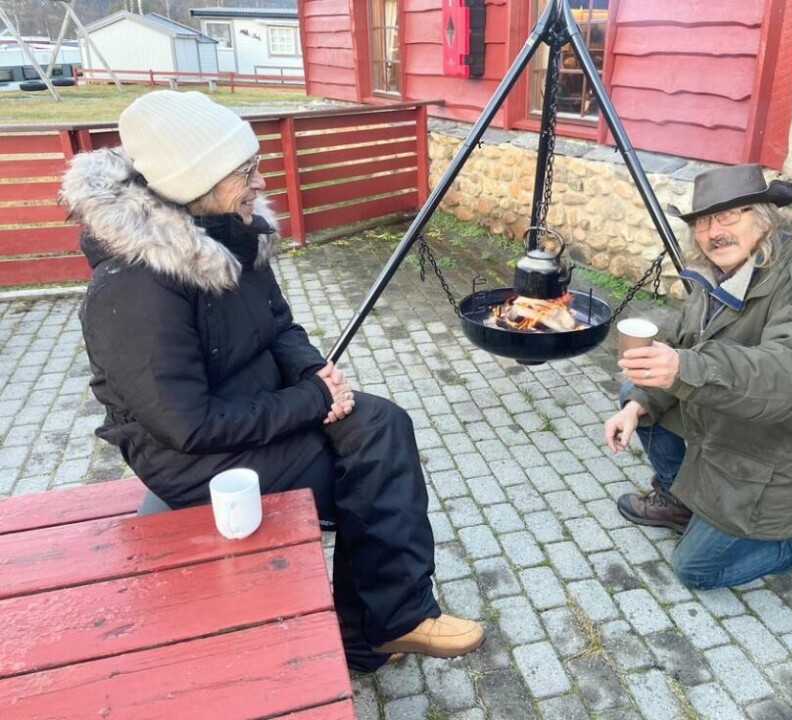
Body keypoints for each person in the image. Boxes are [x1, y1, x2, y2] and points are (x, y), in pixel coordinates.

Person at [60, 90, 484, 671]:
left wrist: (313, 372)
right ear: (197, 182)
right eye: (247, 171)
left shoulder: (230, 237)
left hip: (256, 408)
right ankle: (378, 627)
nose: (261, 183)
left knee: (383, 422)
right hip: (190, 455)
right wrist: (310, 402)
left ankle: (387, 625)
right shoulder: (135, 288)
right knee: (357, 477)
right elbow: (186, 425)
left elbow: (279, 325)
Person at [603, 163, 792, 600]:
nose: (713, 231)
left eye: (729, 216)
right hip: (727, 429)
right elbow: (681, 343)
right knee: (634, 399)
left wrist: (684, 369)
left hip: (774, 457)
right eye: (702, 221)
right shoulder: (719, 276)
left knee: (696, 569)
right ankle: (685, 500)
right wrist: (638, 401)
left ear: (765, 219)